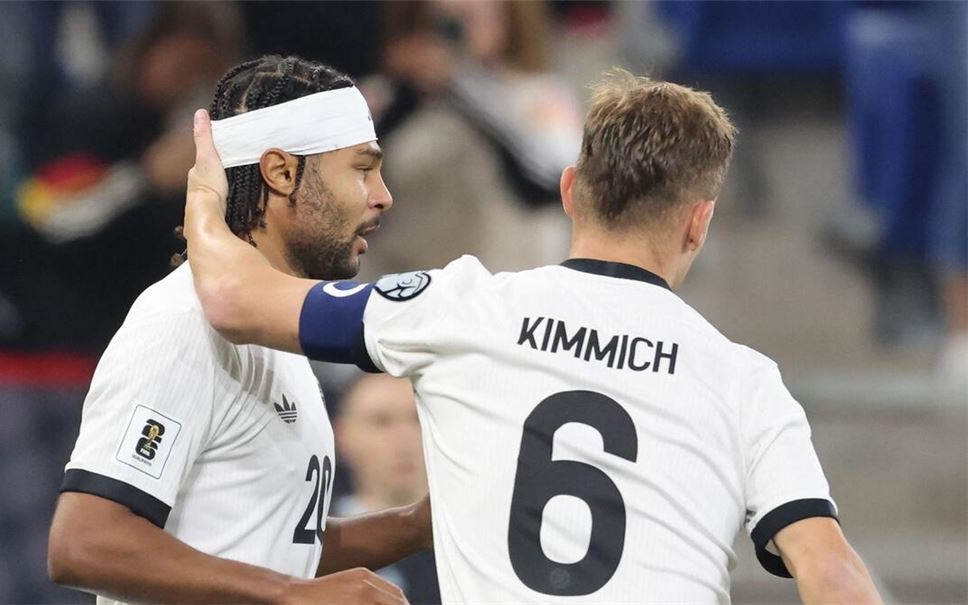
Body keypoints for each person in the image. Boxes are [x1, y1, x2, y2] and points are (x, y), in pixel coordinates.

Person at [183, 70, 883, 604]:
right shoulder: (745, 381)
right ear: (698, 222)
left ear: (571, 189)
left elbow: (231, 296)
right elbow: (832, 573)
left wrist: (209, 188)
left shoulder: (460, 306)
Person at [47, 55, 430, 605]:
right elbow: (84, 542)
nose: (382, 195)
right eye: (362, 169)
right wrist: (292, 595)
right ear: (281, 173)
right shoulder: (184, 322)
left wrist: (417, 525)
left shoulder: (273, 329)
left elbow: (266, 547)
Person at [333, 374, 442, 604]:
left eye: (417, 419)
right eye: (381, 422)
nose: (404, 438)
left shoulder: (472, 545)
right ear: (342, 435)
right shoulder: (312, 547)